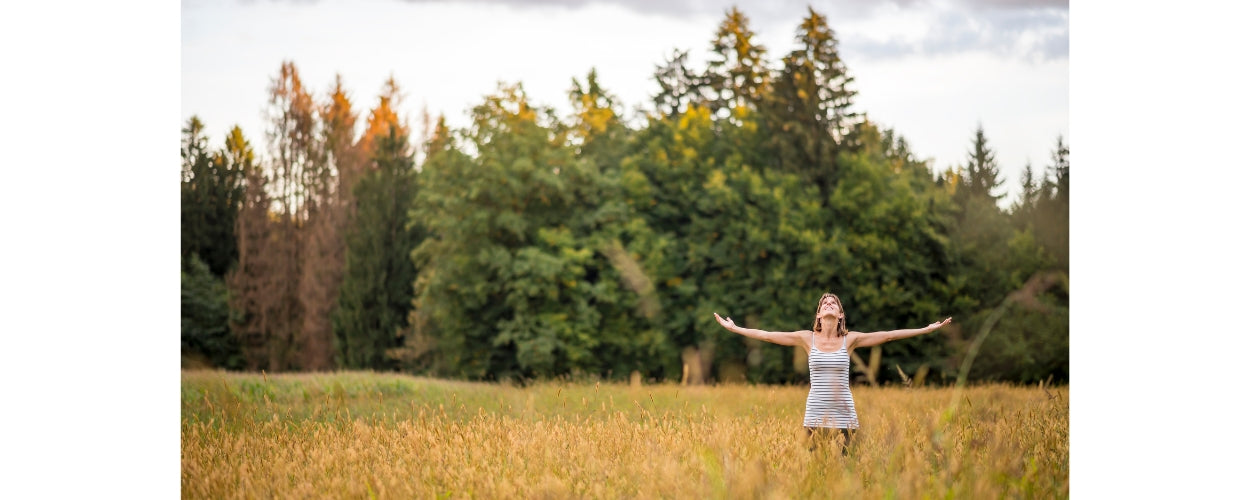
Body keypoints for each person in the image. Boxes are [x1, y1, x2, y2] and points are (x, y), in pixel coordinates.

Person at [713, 292, 951, 455]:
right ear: (818, 315)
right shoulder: (807, 339)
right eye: (824, 303)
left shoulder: (850, 340)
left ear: (840, 315)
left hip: (845, 416)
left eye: (833, 303)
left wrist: (926, 329)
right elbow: (767, 335)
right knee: (815, 472)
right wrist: (735, 328)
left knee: (848, 472)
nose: (828, 304)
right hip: (814, 415)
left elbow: (888, 334)